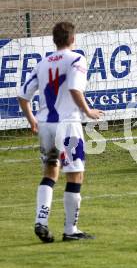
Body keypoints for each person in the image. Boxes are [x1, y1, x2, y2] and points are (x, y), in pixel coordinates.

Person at [18, 22, 104, 243]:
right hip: (67, 124)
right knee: (75, 174)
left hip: (45, 124)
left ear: (54, 40)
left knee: (49, 173)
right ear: (72, 39)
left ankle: (41, 221)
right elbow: (75, 88)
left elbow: (23, 95)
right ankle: (70, 229)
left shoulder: (42, 63)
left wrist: (32, 121)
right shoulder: (76, 59)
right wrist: (88, 111)